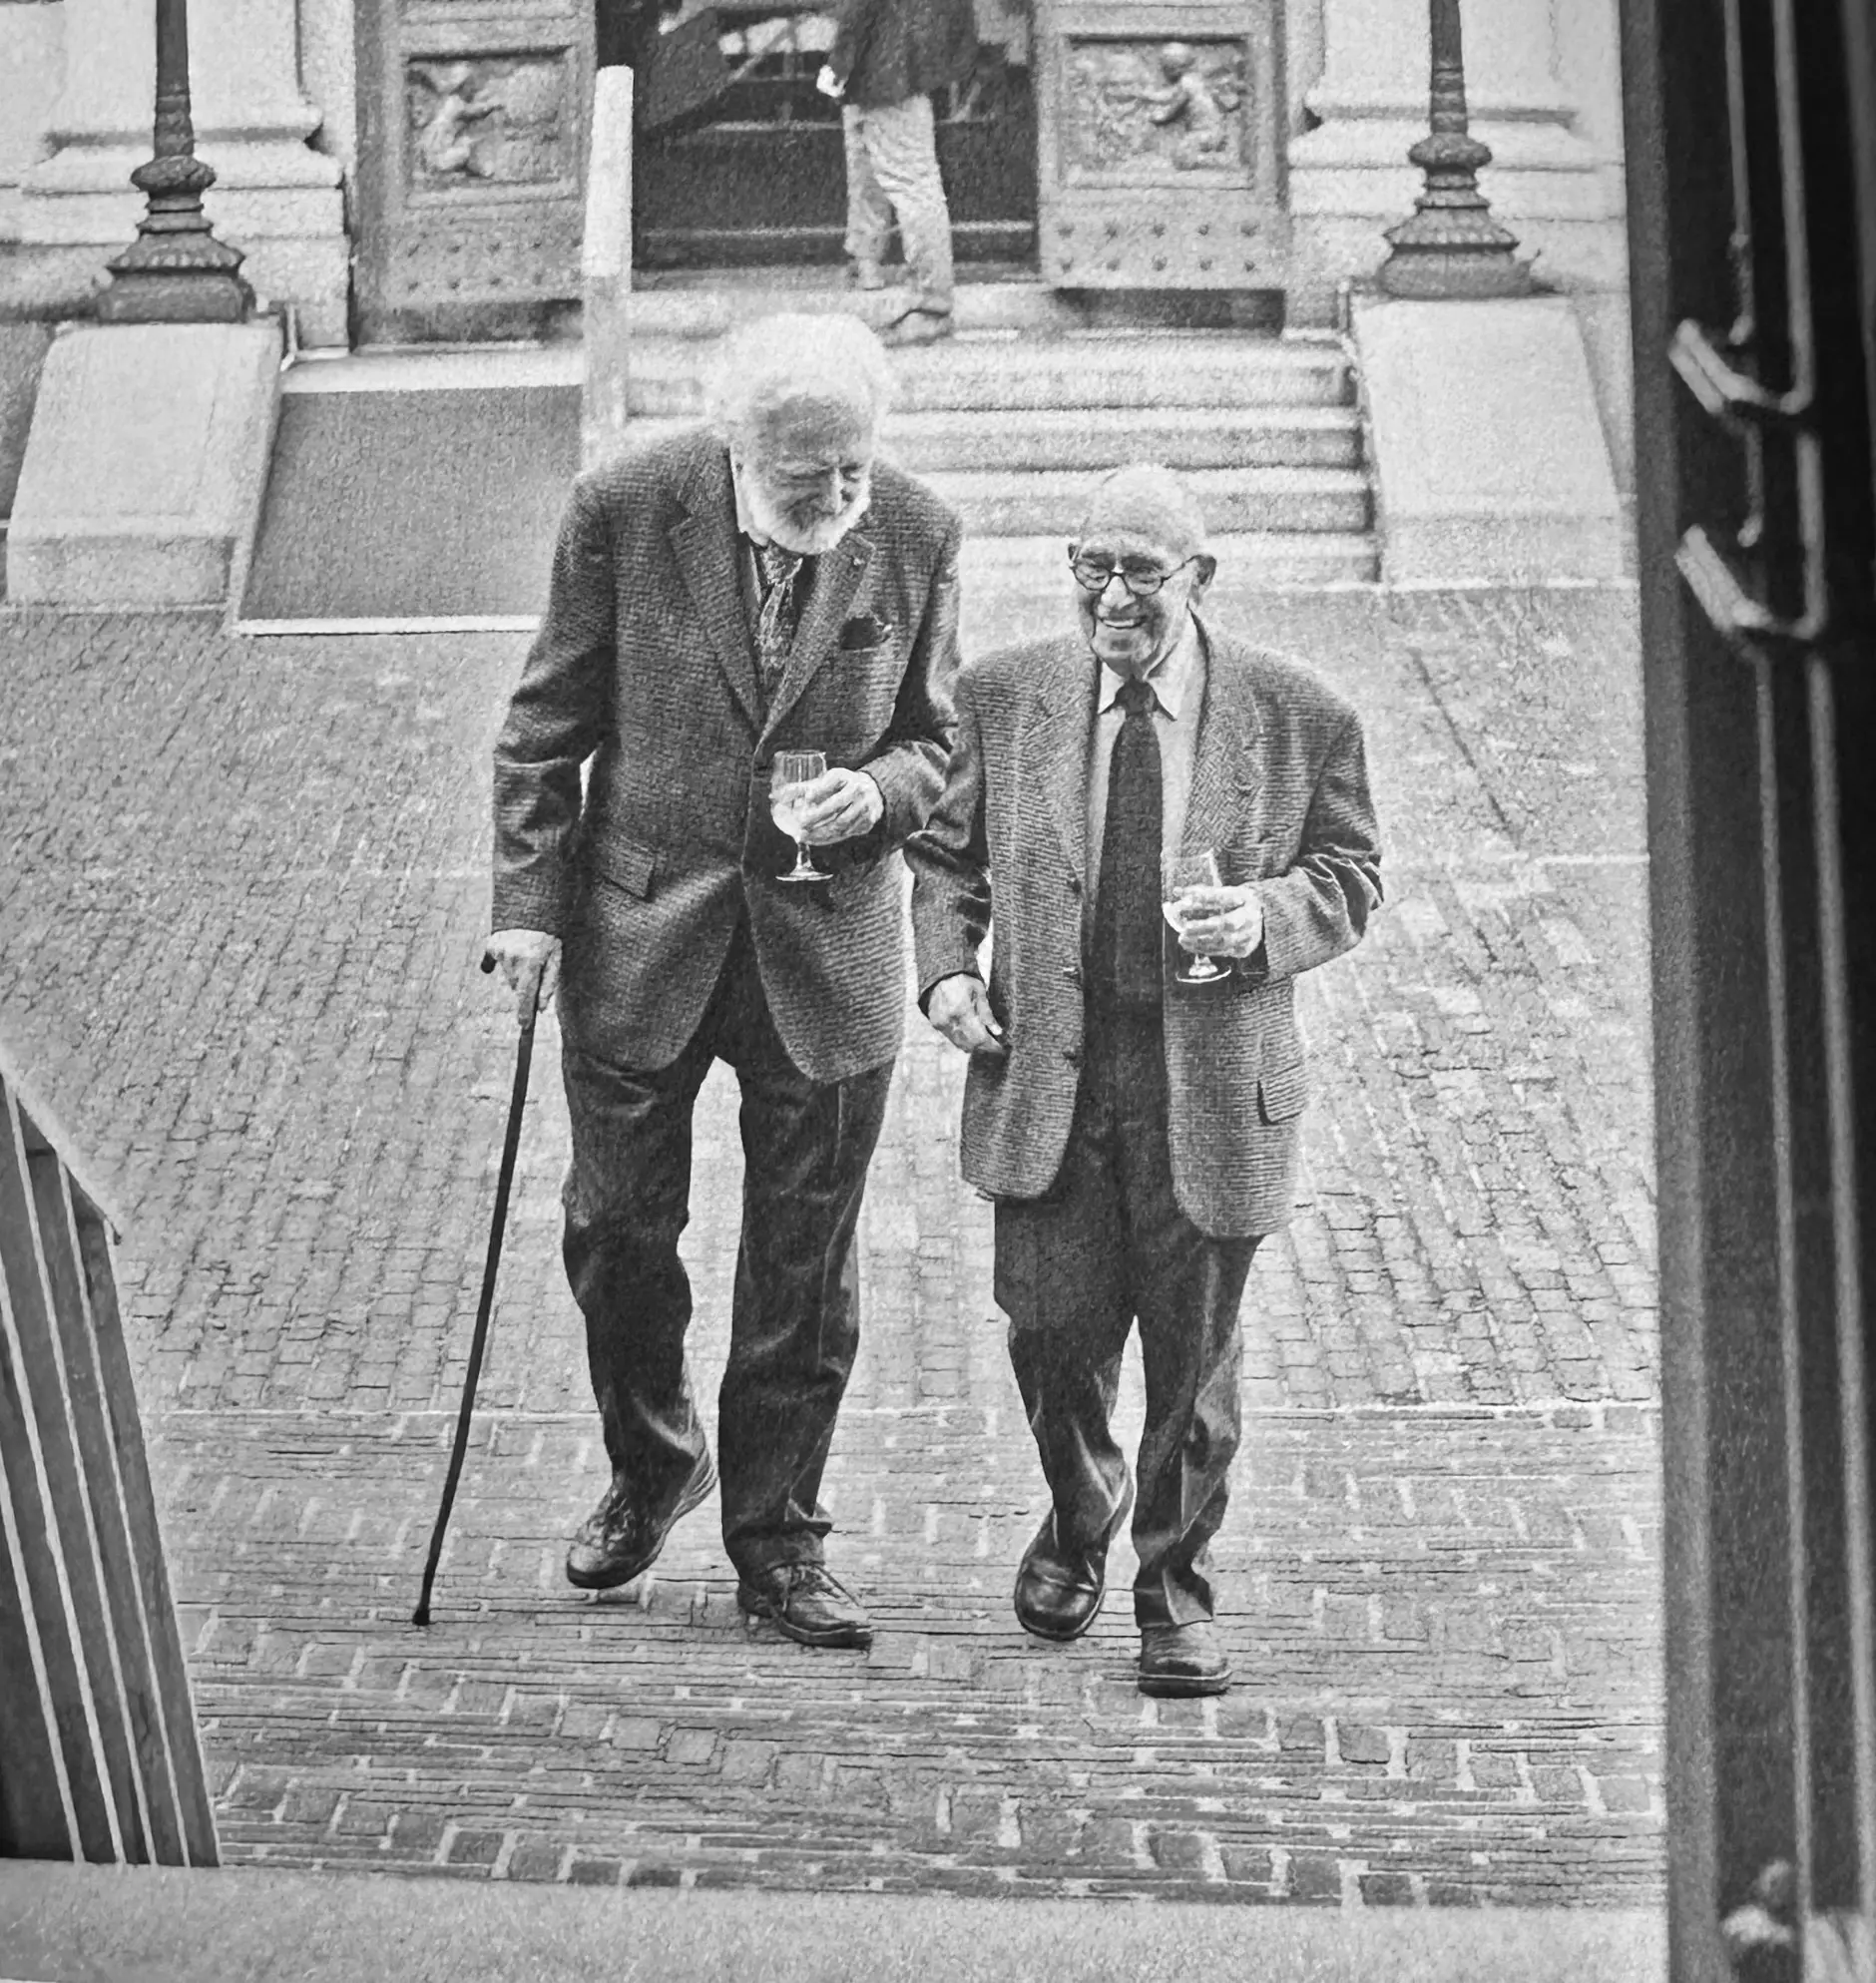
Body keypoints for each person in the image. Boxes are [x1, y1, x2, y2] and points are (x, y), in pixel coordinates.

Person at [488, 311, 962, 1652]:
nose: (842, 499)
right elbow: (544, 729)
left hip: (827, 949)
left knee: (803, 1268)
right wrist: (527, 912)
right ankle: (654, 1463)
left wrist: (876, 790)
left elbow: (942, 742)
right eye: (808, 478)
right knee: (616, 1231)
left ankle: (780, 1541)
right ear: (738, 451)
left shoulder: (917, 532)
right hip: (645, 928)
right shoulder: (628, 509)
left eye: (856, 469)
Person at [907, 464, 1382, 1697]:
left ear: (1198, 578)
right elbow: (945, 860)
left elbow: (1350, 876)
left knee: (1191, 1358)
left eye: (1138, 574)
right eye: (1089, 569)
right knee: (1050, 1332)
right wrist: (947, 971)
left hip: (1208, 1078)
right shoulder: (1005, 693)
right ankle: (1080, 1508)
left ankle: (1173, 1591)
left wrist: (1265, 918)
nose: (1110, 599)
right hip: (1050, 1072)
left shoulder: (1298, 712)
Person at [818, 0, 979, 346]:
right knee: (889, 171)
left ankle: (932, 305)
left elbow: (859, 11)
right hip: (903, 65)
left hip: (883, 65)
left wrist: (837, 67)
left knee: (912, 185)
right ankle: (871, 260)